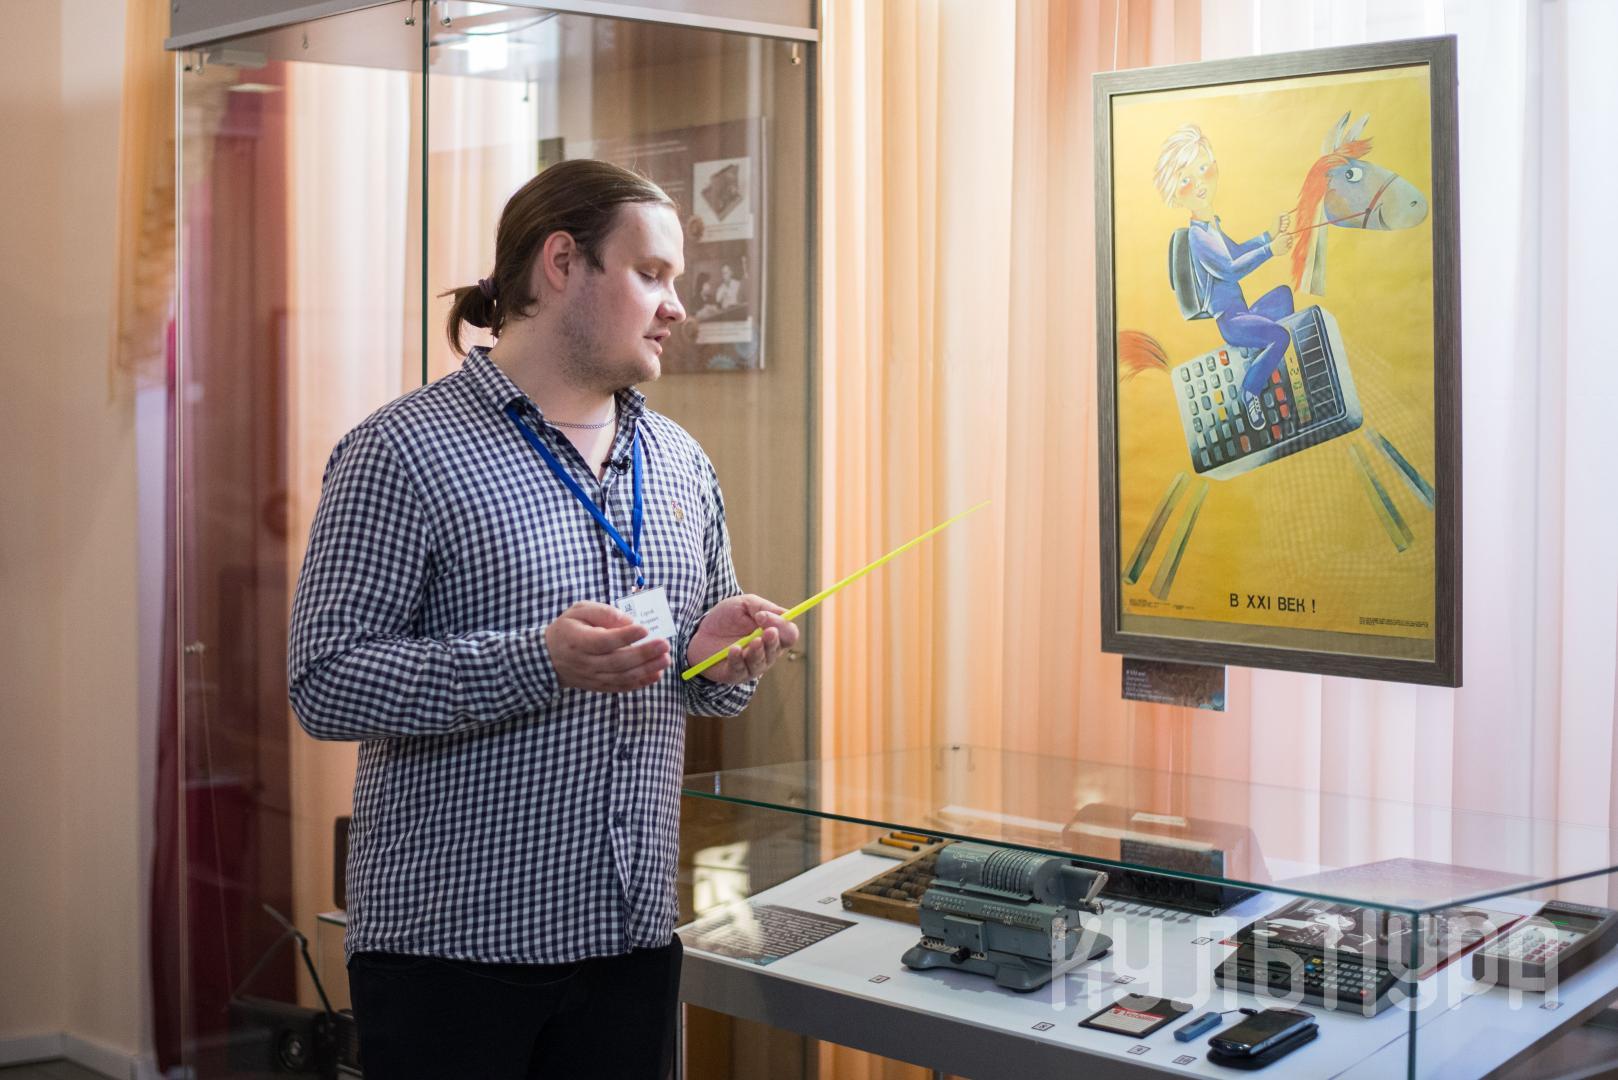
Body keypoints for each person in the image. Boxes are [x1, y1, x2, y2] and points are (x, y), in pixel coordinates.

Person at [287, 159, 799, 1079]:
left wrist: (712, 661)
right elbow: (325, 683)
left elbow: (691, 686)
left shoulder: (680, 461)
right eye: (652, 273)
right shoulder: (401, 451)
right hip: (453, 957)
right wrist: (538, 661)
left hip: (631, 942)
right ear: (562, 263)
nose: (677, 306)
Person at [1155, 124, 1296, 428]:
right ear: (1175, 196)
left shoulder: (1212, 227)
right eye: (1185, 180)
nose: (1198, 183)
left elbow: (1237, 253)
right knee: (1280, 336)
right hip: (1232, 322)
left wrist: (1267, 236)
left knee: (1284, 296)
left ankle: (1265, 360)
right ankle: (1251, 391)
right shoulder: (1199, 237)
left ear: (1215, 166)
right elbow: (1230, 270)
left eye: (1202, 168)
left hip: (1244, 313)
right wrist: (1270, 250)